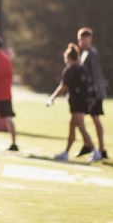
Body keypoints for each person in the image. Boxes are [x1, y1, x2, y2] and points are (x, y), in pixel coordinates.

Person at [46, 43, 96, 161]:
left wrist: (52, 98)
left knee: (81, 128)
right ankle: (66, 152)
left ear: (68, 58)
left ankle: (95, 151)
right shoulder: (82, 68)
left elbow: (62, 87)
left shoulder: (70, 70)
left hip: (77, 103)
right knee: (72, 126)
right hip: (83, 102)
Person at [77, 27, 109, 161]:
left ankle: (102, 150)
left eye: (85, 39)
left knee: (95, 119)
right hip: (88, 93)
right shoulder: (84, 53)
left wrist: (93, 96)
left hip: (94, 94)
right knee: (79, 119)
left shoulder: (91, 53)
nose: (83, 41)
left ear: (90, 39)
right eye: (81, 39)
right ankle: (87, 145)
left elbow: (95, 76)